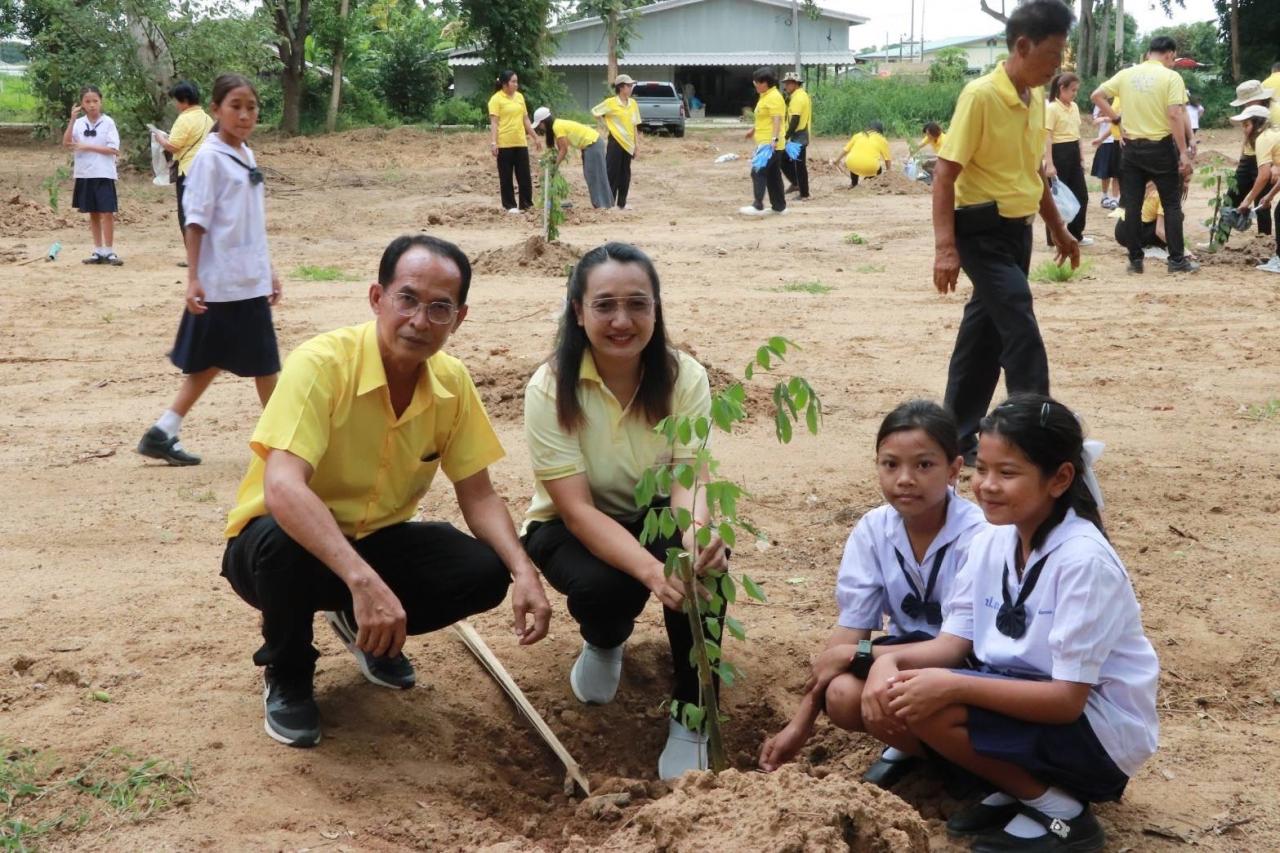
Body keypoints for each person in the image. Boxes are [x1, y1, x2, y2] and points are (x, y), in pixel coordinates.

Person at [222, 233, 552, 747]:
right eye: (408, 299)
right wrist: (363, 581)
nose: (420, 321)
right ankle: (287, 673)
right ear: (378, 298)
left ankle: (370, 634)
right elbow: (283, 487)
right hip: (279, 548)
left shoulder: (452, 383)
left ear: (459, 318)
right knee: (283, 546)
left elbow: (478, 493)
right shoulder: (321, 364)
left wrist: (523, 569)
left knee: (484, 572)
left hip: (375, 541)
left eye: (440, 308)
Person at [869, 394, 1159, 853]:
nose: (985, 485)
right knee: (910, 692)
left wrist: (953, 686)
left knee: (935, 700)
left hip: (1095, 730)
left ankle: (1062, 813)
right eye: (981, 469)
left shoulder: (1083, 561)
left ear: (1060, 478)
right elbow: (952, 642)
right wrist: (888, 662)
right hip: (1026, 699)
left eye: (1007, 473)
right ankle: (1021, 785)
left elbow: (1066, 700)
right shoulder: (992, 539)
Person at [520, 242, 729, 780]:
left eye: (638, 304)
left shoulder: (685, 378)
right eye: (605, 305)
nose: (622, 321)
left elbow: (689, 477)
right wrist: (649, 570)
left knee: (706, 573)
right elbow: (576, 510)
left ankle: (692, 713)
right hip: (567, 525)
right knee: (608, 587)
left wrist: (692, 541)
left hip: (659, 510)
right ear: (578, 311)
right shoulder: (549, 388)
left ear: (656, 310)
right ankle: (605, 639)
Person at [757, 401, 988, 790]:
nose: (905, 479)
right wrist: (801, 724)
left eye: (924, 465)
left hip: (968, 666)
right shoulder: (874, 529)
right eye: (890, 464)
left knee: (899, 693)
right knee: (843, 695)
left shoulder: (979, 535)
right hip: (904, 657)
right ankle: (921, 750)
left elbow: (953, 649)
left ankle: (972, 773)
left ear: (954, 469)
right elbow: (851, 632)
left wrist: (860, 655)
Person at [933, 0, 1079, 466]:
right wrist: (945, 248)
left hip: (1018, 233)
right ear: (1022, 45)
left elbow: (1033, 170)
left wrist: (1059, 228)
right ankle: (1036, 436)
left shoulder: (1035, 98)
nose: (1057, 68)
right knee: (1018, 318)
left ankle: (954, 436)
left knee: (985, 337)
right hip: (979, 230)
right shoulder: (980, 96)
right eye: (1053, 57)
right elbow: (944, 173)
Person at [137, 73, 282, 467]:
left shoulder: (245, 153)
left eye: (251, 107)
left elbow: (249, 220)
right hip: (225, 283)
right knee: (266, 365)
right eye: (235, 106)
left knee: (212, 361)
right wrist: (194, 278)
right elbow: (195, 221)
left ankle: (162, 432)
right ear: (216, 110)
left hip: (246, 279)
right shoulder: (209, 160)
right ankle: (283, 446)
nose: (245, 114)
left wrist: (267, 267)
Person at [1091, 35, 1198, 274]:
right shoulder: (1171, 77)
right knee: (1171, 204)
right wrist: (1183, 151)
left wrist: (1117, 119)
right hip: (1160, 148)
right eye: (1173, 59)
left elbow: (1096, 95)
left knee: (1133, 205)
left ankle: (1135, 260)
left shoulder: (1126, 74)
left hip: (1131, 149)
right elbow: (1174, 114)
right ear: (1169, 54)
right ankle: (1177, 261)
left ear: (1149, 52)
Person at [152, 80, 214, 264]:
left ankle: (193, 256)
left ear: (184, 100)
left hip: (187, 171)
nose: (175, 104)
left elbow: (174, 145)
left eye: (176, 100)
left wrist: (160, 138)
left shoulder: (184, 119)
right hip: (206, 170)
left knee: (186, 214)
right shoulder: (207, 118)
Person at [62, 85, 122, 266]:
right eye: (87, 101)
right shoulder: (79, 124)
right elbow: (66, 142)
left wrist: (87, 147)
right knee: (93, 212)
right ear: (82, 103)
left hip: (103, 173)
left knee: (107, 212)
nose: (92, 105)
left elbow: (114, 149)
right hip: (85, 173)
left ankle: (109, 251)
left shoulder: (108, 122)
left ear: (101, 101)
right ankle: (98, 250)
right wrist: (72, 119)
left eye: (95, 101)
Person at [530, 106, 612, 209]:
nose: (540, 128)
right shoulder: (557, 125)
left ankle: (603, 205)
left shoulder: (557, 127)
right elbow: (560, 148)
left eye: (539, 125)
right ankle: (605, 204)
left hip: (593, 144)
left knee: (594, 175)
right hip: (590, 145)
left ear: (543, 122)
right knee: (592, 174)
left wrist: (554, 167)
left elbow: (564, 150)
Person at [1043, 72, 1090, 247]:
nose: (1075, 94)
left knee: (1081, 195)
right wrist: (1050, 163)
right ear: (1061, 89)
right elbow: (1047, 136)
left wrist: (1081, 157)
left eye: (1076, 90)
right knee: (1056, 200)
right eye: (1072, 90)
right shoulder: (1052, 108)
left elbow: (1077, 135)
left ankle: (1076, 233)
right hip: (1058, 152)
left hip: (1072, 152)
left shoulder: (1074, 107)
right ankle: (1054, 238)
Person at [1233, 106, 1280, 273]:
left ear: (1258, 124)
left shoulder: (1263, 139)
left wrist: (1247, 200)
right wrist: (1268, 196)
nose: (1244, 131)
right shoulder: (1273, 134)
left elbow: (1263, 175)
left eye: (1246, 125)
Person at [1225, 81, 1275, 237]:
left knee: (1261, 204)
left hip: (1268, 161)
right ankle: (1218, 239)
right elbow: (1246, 138)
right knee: (1231, 197)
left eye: (1247, 102)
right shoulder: (1249, 114)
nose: (1245, 105)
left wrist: (1276, 165)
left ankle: (1263, 242)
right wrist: (1242, 157)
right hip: (1248, 159)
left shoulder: (1275, 111)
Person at [739, 67, 788, 216]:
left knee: (758, 172)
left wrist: (774, 139)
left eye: (757, 82)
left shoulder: (774, 97)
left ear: (766, 83)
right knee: (773, 175)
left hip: (769, 143)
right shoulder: (765, 96)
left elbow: (777, 120)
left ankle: (757, 205)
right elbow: (764, 118)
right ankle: (779, 207)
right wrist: (753, 130)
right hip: (766, 141)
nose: (755, 85)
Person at [488, 70, 538, 213]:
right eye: (513, 82)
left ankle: (526, 204)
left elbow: (526, 119)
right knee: (506, 176)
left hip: (520, 142)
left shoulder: (520, 97)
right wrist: (493, 142)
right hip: (504, 143)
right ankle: (510, 205)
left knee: (524, 176)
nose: (516, 84)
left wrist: (534, 137)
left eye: (517, 81)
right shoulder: (496, 99)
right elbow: (494, 123)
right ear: (505, 84)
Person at [592, 74, 642, 210]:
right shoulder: (611, 103)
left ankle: (622, 203)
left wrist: (637, 145)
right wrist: (606, 125)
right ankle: (609, 202)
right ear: (621, 87)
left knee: (625, 174)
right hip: (615, 142)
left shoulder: (633, 104)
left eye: (631, 85)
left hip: (629, 143)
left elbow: (634, 125)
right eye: (629, 85)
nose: (631, 88)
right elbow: (595, 112)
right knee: (612, 172)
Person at [780, 71, 812, 200]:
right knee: (785, 160)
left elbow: (795, 119)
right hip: (798, 134)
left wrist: (786, 136)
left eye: (787, 83)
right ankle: (796, 183)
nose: (786, 86)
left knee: (799, 165)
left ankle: (804, 193)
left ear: (795, 84)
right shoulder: (799, 95)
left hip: (798, 135)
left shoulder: (798, 98)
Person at [1111, 183, 1167, 255]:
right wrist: (1177, 248)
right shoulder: (1164, 195)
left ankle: (1137, 246)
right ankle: (1146, 248)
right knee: (1175, 218)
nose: (1186, 185)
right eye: (1186, 181)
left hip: (1121, 228)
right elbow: (1159, 231)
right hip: (1129, 233)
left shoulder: (1150, 186)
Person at [833, 121, 891, 188]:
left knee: (854, 161)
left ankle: (854, 183)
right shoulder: (882, 140)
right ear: (881, 130)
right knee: (878, 169)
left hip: (851, 163)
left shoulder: (858, 135)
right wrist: (889, 172)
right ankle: (868, 181)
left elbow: (845, 150)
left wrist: (836, 160)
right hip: (870, 167)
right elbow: (887, 159)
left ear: (869, 128)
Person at [1089, 102, 1120, 210]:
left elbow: (1120, 119)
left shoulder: (1119, 101)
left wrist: (1106, 118)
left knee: (1117, 172)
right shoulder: (1100, 103)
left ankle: (1115, 198)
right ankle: (1105, 196)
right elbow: (1095, 121)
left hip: (1117, 140)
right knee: (1104, 172)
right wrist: (1105, 118)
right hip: (1105, 141)